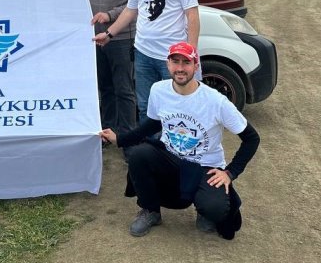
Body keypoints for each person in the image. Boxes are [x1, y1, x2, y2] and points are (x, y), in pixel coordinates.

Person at [100, 42, 260, 240]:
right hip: (171, 159)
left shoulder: (216, 101)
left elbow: (251, 138)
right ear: (168, 64)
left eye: (186, 62)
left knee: (216, 209)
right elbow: (152, 125)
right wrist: (120, 139)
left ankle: (204, 210)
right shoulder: (159, 90)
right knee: (139, 154)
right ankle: (151, 210)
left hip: (205, 167)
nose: (180, 68)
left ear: (196, 65)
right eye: (175, 61)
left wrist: (230, 172)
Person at [93, 0, 199, 123]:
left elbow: (192, 14)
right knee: (145, 106)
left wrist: (191, 52)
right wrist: (109, 34)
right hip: (143, 54)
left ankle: (172, 150)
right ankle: (149, 148)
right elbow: (130, 11)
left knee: (175, 105)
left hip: (172, 56)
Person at [78, 0, 141, 135]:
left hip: (121, 39)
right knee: (104, 88)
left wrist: (110, 15)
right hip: (96, 38)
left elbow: (135, 4)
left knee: (124, 90)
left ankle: (126, 136)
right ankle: (108, 131)